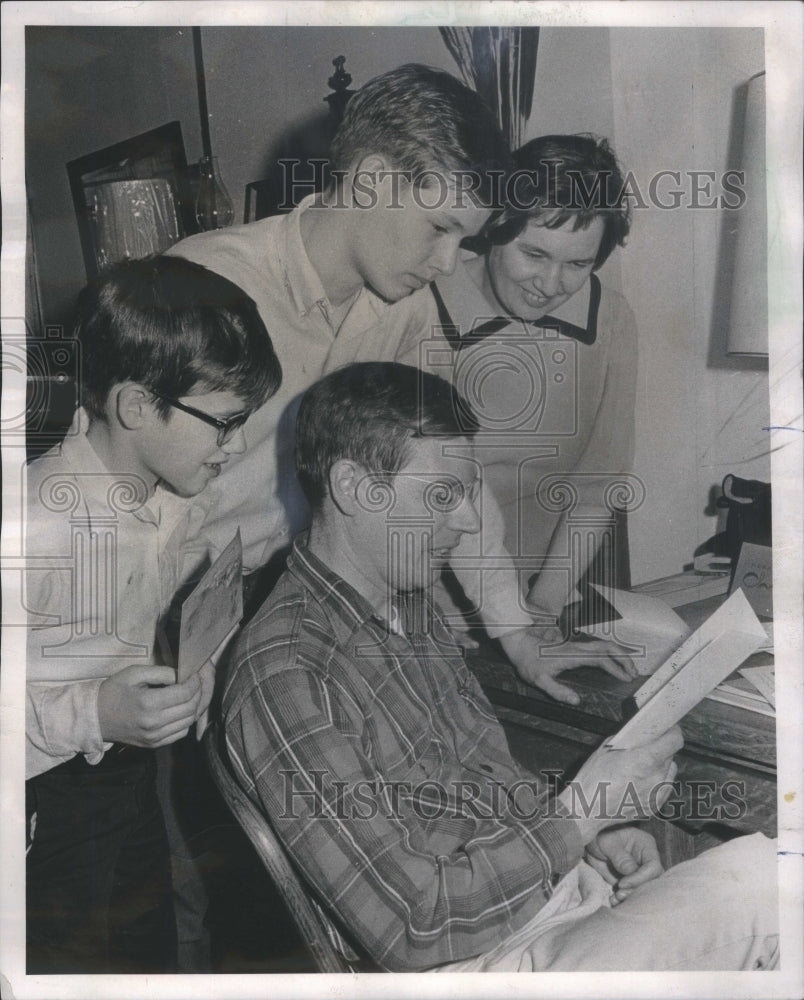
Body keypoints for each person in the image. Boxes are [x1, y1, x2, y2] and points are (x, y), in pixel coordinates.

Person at [222, 361, 778, 973]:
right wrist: (579, 813)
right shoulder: (291, 674)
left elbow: (481, 784)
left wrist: (586, 840)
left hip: (544, 908)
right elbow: (415, 927)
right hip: (467, 966)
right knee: (768, 886)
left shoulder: (407, 604)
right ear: (354, 486)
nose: (466, 520)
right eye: (443, 495)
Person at [170, 66, 631, 705]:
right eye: (440, 228)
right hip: (150, 618)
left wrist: (518, 630)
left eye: (463, 239)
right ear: (370, 182)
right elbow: (118, 495)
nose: (448, 263)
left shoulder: (403, 309)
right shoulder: (203, 283)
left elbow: (448, 478)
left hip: (274, 609)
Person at [25, 255, 282, 972]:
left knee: (144, 958)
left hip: (126, 785)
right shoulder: (36, 526)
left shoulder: (166, 495)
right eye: (226, 425)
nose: (236, 449)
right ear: (138, 407)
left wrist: (186, 673)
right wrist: (95, 714)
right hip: (39, 807)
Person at [431, 134, 637, 624]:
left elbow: (596, 486)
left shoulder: (609, 319)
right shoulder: (422, 303)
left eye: (578, 264)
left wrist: (542, 609)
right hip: (421, 602)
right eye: (536, 255)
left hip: (541, 598)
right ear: (497, 225)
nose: (551, 285)